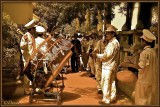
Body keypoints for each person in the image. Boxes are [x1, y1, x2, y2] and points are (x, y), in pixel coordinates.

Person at [96, 25, 120, 104]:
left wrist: (97, 56)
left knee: (105, 82)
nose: (106, 35)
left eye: (108, 33)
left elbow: (107, 55)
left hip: (108, 66)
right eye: (106, 33)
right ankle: (113, 97)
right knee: (112, 82)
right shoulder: (116, 42)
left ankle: (106, 99)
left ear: (113, 34)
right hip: (113, 65)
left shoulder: (112, 43)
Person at [135, 29, 158, 105]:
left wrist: (127, 65)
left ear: (144, 42)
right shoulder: (153, 52)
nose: (141, 42)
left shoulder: (144, 53)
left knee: (141, 102)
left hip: (144, 82)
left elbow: (140, 66)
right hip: (152, 81)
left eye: (141, 41)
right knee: (149, 101)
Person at [20, 20, 37, 95]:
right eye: (34, 28)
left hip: (32, 58)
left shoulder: (32, 36)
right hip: (27, 58)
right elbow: (22, 47)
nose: (35, 30)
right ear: (31, 29)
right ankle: (26, 90)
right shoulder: (25, 36)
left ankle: (32, 88)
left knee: (32, 73)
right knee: (27, 74)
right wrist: (26, 42)